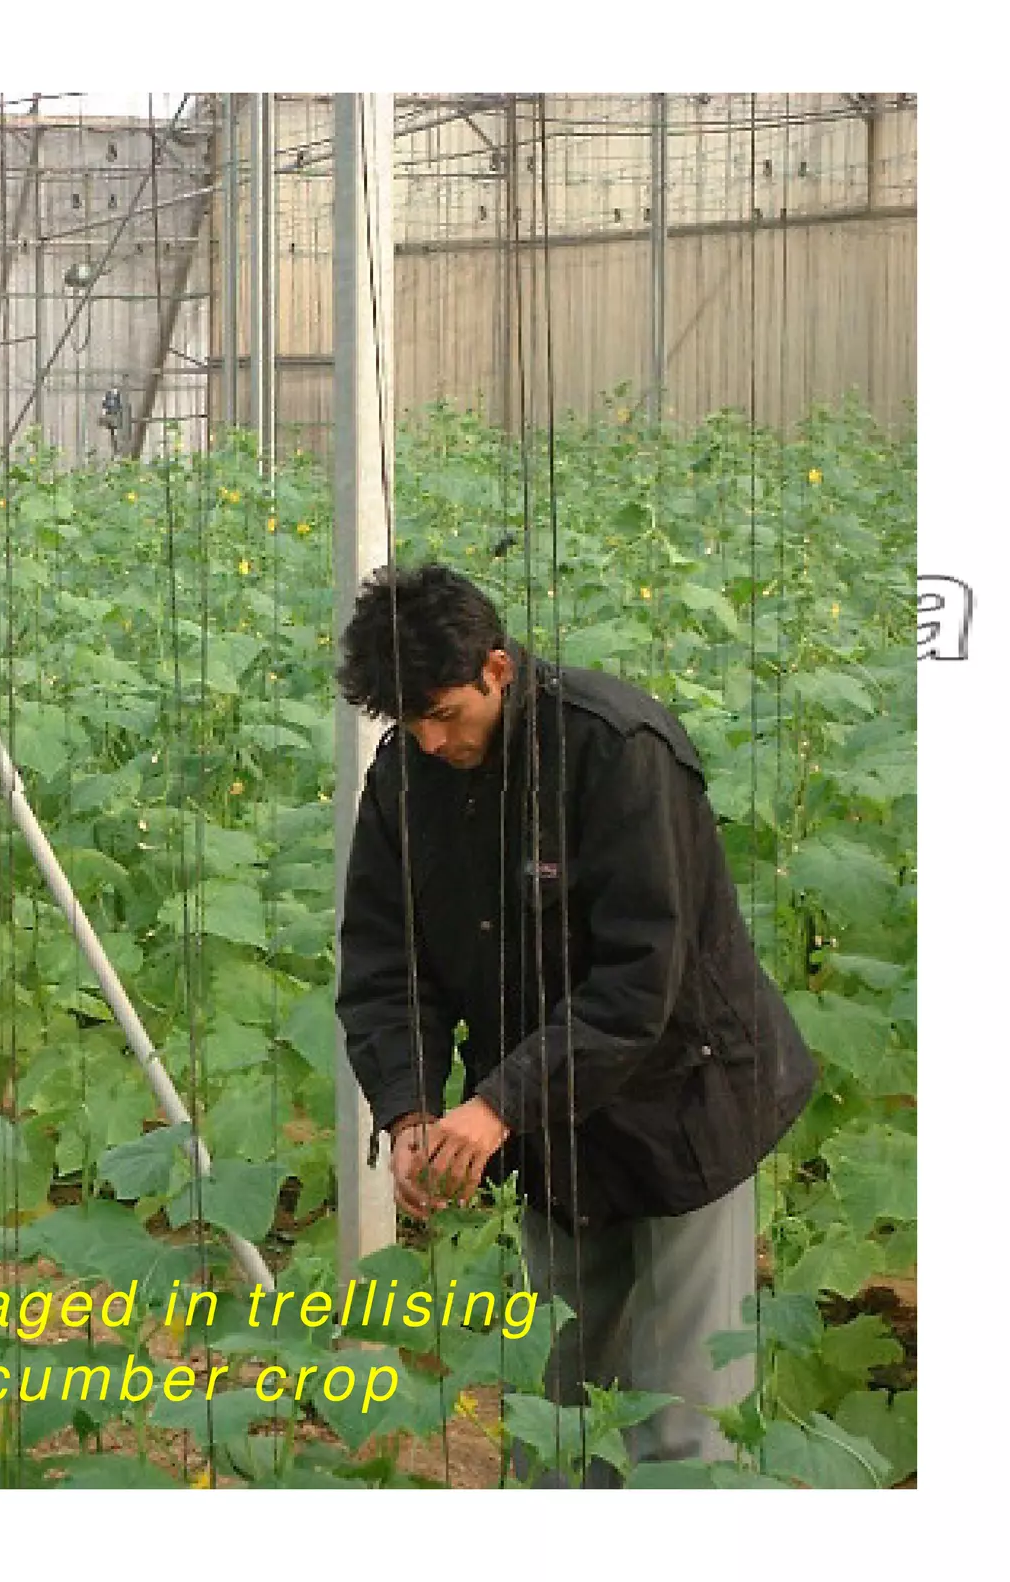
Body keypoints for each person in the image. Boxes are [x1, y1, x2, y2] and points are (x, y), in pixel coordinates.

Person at [332, 562, 817, 1482]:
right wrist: (408, 1113)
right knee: (559, 1405)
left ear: (499, 671)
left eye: (445, 714)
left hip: (685, 1103)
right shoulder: (407, 778)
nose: (432, 742)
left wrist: (497, 1104)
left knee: (684, 1417)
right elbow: (386, 967)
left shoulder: (617, 748)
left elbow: (646, 980)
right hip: (549, 1121)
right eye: (410, 722)